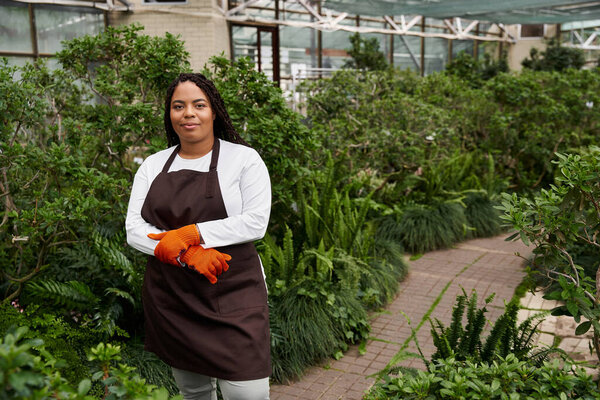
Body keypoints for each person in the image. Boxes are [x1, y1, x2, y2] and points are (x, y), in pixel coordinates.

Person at [125, 73, 272, 400]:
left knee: (248, 393)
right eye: (179, 106)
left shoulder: (243, 160)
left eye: (198, 105)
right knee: (192, 392)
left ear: (214, 111)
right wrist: (186, 254)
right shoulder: (153, 165)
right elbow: (134, 228)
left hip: (234, 291)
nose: (188, 113)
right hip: (175, 295)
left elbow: (256, 221)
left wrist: (195, 233)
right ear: (170, 114)